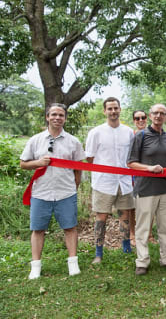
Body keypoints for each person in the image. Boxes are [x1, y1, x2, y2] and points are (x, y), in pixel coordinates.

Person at [20, 103, 86, 279]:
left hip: (66, 193)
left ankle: (73, 263)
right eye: (54, 114)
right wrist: (38, 163)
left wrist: (74, 187)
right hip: (41, 193)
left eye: (61, 115)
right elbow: (23, 163)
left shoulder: (73, 141)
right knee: (38, 229)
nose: (57, 118)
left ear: (65, 118)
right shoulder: (35, 140)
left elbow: (79, 168)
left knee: (70, 227)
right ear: (47, 117)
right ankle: (36, 266)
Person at [127, 104, 166, 275]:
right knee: (143, 227)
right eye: (155, 113)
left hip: (165, 188)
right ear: (150, 116)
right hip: (145, 188)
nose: (158, 116)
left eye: (162, 113)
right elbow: (130, 163)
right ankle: (142, 261)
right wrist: (149, 168)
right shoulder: (140, 136)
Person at [85, 97, 135, 264]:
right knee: (101, 217)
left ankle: (126, 249)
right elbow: (89, 158)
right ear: (104, 111)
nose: (113, 111)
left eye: (116, 108)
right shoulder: (96, 132)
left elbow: (131, 157)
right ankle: (98, 253)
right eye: (110, 109)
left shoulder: (128, 132)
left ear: (120, 109)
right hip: (103, 182)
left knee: (125, 216)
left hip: (124, 182)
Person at [129, 109, 147, 244]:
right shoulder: (131, 135)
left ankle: (149, 234)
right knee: (133, 206)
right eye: (137, 118)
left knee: (149, 206)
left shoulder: (153, 133)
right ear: (134, 121)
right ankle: (132, 234)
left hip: (150, 174)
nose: (140, 120)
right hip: (134, 175)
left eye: (143, 117)